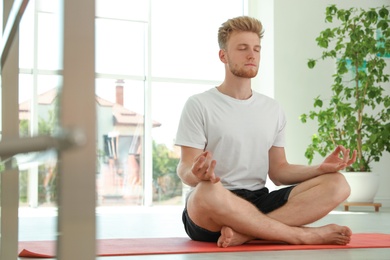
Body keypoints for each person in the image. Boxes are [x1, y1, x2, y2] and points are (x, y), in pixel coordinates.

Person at [175, 16, 357, 248]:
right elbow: (184, 168)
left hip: (259, 201)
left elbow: (279, 171)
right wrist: (197, 175)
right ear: (223, 56)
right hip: (215, 205)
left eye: (256, 49)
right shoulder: (199, 104)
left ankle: (247, 234)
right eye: (242, 49)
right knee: (204, 193)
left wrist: (319, 169)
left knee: (338, 184)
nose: (251, 55)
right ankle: (302, 235)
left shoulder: (272, 109)